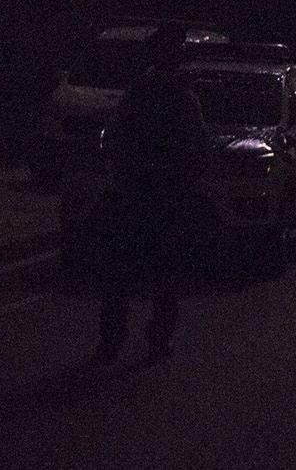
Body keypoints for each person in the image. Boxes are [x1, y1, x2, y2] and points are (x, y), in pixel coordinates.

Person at [96, 23, 208, 363]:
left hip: (136, 192)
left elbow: (114, 137)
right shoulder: (180, 97)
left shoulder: (139, 92)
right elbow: (198, 147)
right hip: (163, 195)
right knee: (163, 274)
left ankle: (112, 341)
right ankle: (155, 340)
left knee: (123, 273)